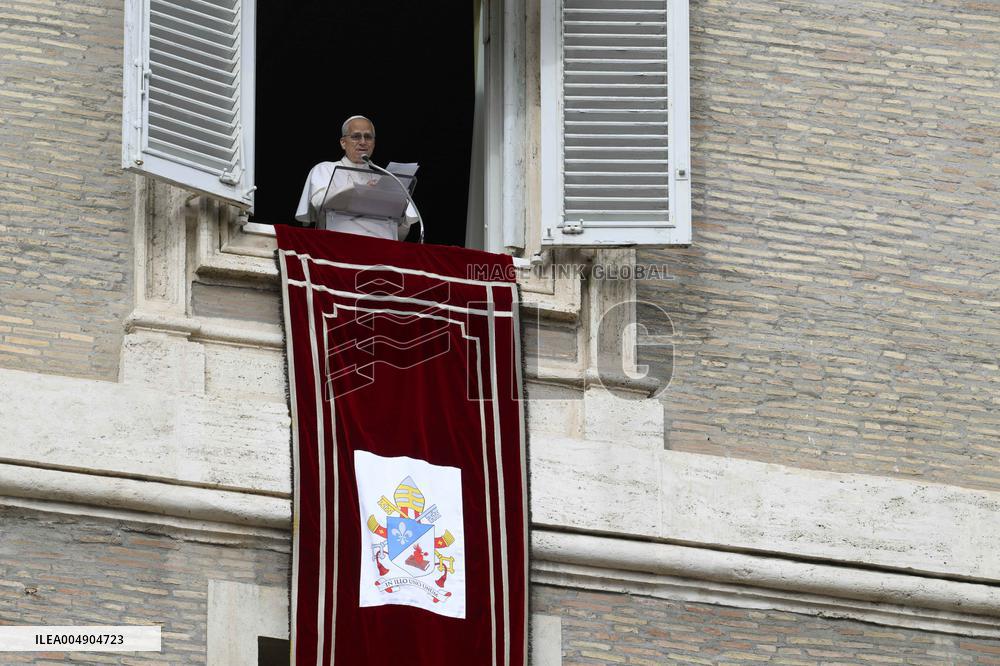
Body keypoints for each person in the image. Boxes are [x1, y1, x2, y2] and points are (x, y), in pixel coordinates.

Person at [295, 115, 417, 240]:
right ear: (343, 143)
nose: (363, 142)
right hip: (336, 245)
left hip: (381, 248)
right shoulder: (325, 169)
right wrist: (361, 189)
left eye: (368, 137)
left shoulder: (385, 177)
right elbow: (319, 202)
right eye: (356, 136)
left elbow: (402, 228)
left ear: (374, 143)